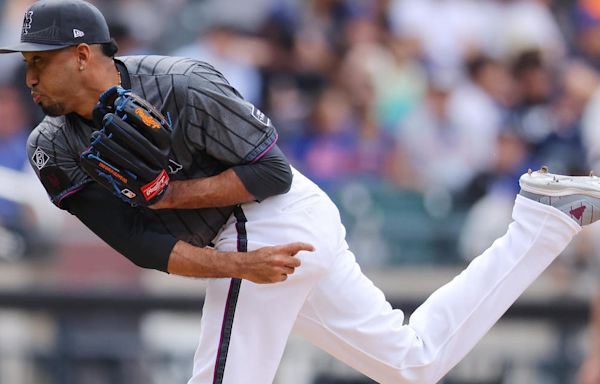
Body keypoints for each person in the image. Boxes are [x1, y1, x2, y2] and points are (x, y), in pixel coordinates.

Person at [2, 1, 599, 383]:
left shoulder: (181, 84)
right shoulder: (50, 147)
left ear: (83, 55)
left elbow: (272, 175)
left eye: (41, 60)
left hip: (273, 214)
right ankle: (542, 223)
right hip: (245, 239)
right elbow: (134, 242)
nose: (28, 75)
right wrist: (234, 263)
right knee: (413, 363)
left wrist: (170, 199)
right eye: (24, 61)